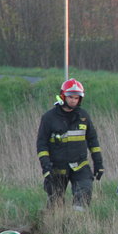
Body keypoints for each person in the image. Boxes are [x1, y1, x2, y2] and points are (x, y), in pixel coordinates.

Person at [36, 78, 104, 210]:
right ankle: (52, 225)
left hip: (80, 166)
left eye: (77, 98)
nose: (73, 100)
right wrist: (45, 166)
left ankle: (77, 222)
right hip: (56, 167)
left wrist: (99, 164)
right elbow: (42, 144)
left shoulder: (84, 116)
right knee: (55, 202)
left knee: (84, 193)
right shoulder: (49, 118)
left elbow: (93, 141)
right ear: (63, 96)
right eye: (70, 97)